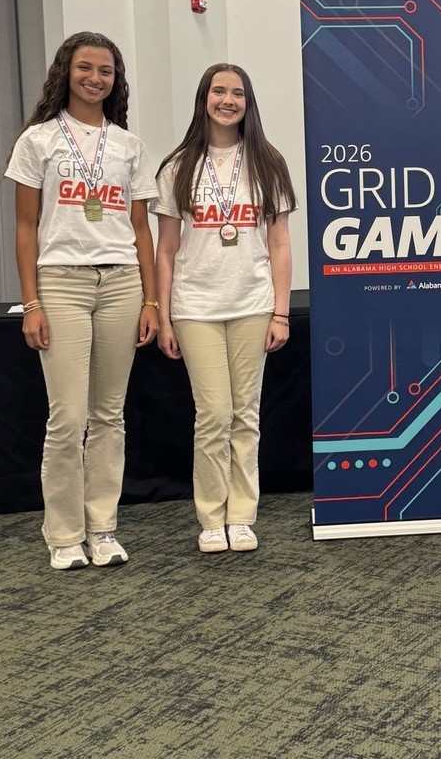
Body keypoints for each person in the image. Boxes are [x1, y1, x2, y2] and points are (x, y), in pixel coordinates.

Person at [6, 32, 158, 571]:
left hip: (121, 283)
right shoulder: (38, 140)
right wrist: (31, 304)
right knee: (67, 417)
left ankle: (103, 527)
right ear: (65, 73)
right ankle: (64, 533)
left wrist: (151, 301)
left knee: (109, 414)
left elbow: (141, 229)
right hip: (61, 283)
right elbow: (26, 228)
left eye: (106, 71)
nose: (95, 79)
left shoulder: (128, 146)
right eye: (85, 68)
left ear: (116, 81)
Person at [153, 64, 295, 554]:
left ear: (247, 102)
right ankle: (211, 516)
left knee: (246, 415)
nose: (227, 100)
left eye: (237, 93)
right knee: (213, 413)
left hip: (253, 304)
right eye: (219, 91)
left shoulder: (268, 162)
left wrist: (280, 312)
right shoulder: (178, 166)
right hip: (195, 307)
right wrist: (165, 315)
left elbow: (279, 244)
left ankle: (242, 515)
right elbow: (166, 250)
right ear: (204, 98)